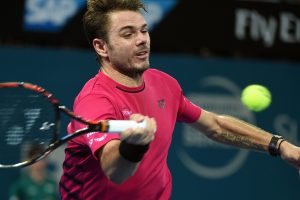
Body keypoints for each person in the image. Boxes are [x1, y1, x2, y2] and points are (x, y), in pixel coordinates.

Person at [59, 0, 300, 199]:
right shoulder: (94, 99)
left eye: (144, 30)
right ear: (101, 47)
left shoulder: (165, 84)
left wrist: (280, 146)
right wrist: (135, 145)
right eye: (128, 34)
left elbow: (215, 126)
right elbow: (115, 171)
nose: (142, 39)